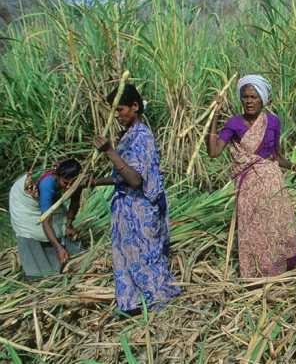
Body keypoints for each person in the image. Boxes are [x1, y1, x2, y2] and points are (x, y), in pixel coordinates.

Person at [92, 83, 180, 314]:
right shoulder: (127, 136)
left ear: (135, 106)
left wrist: (109, 151)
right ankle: (135, 305)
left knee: (146, 259)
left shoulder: (142, 137)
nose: (117, 116)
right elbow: (123, 176)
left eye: (120, 110)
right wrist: (93, 182)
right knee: (128, 259)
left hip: (140, 211)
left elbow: (135, 180)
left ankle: (162, 306)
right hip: (126, 209)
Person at [206, 74, 296, 278]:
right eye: (245, 97)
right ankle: (256, 273)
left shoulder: (273, 122)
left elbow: (277, 155)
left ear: (263, 99)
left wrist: (293, 165)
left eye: (254, 97)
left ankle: (278, 271)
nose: (249, 101)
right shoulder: (233, 124)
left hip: (272, 184)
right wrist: (214, 115)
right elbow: (214, 152)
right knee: (252, 231)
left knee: (275, 227)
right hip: (248, 187)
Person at [9, 159, 83, 279]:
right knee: (32, 231)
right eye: (65, 183)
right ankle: (39, 272)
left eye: (72, 184)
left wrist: (68, 225)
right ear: (57, 176)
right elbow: (46, 220)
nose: (68, 187)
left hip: (43, 196)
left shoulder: (77, 181)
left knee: (60, 224)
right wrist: (58, 248)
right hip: (25, 201)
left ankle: (65, 255)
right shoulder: (48, 185)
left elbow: (75, 202)